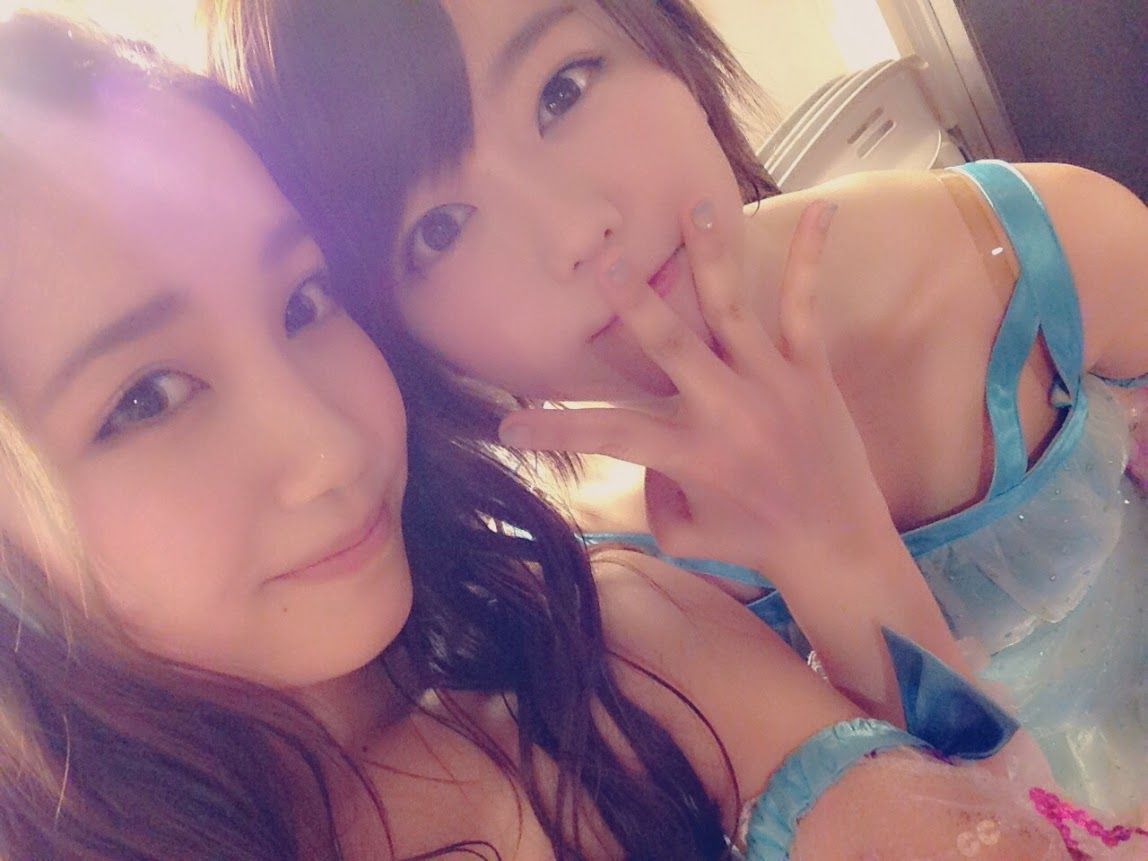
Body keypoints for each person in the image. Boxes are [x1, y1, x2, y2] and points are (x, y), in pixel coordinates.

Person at [11, 12, 1143, 860]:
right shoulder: (599, 589)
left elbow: (1006, 826)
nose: (576, 230)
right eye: (143, 398)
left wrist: (838, 552)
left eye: (564, 87)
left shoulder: (612, 643)